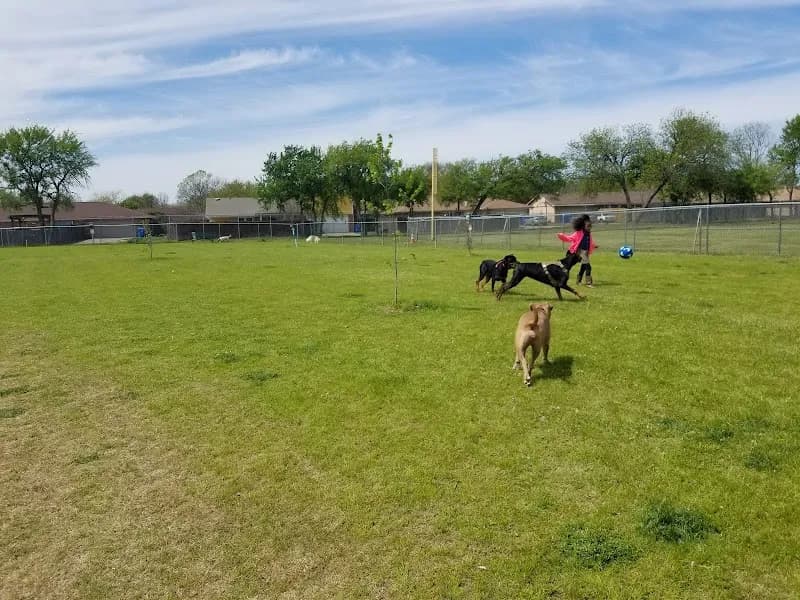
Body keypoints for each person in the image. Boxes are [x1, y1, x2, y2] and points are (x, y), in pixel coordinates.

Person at [557, 214, 597, 287]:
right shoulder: (578, 233)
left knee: (585, 266)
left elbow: (590, 242)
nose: (590, 227)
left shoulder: (588, 233)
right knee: (568, 267)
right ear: (583, 225)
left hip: (585, 253)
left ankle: (581, 281)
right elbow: (569, 238)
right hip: (577, 253)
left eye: (590, 226)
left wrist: (594, 246)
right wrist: (561, 236)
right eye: (588, 225)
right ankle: (559, 277)